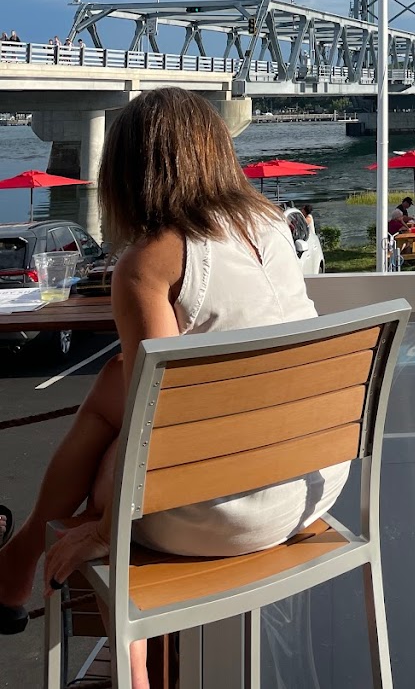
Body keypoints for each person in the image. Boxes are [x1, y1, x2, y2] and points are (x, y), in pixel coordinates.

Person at [0, 88, 348, 689]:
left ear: (127, 168)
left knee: (119, 446)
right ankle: (25, 554)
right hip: (314, 487)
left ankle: (80, 605)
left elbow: (155, 423)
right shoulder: (269, 222)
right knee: (116, 381)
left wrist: (100, 525)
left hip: (225, 514)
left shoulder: (149, 263)